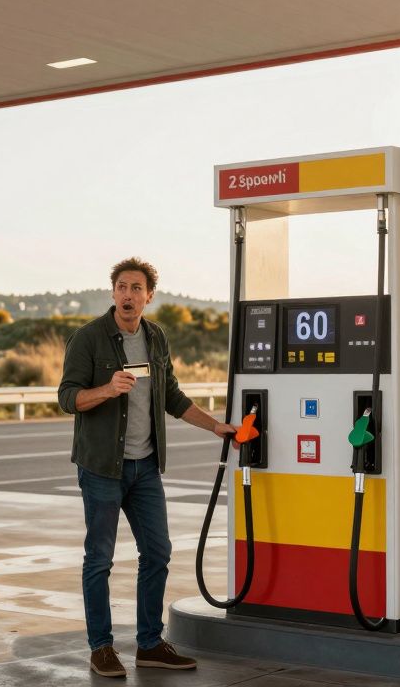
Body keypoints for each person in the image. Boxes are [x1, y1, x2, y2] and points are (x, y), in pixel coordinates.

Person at [58, 257, 236, 678]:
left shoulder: (156, 338)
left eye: (137, 288)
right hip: (102, 467)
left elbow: (171, 395)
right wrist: (106, 389)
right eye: (122, 286)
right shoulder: (89, 338)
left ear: (149, 297)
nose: (128, 294)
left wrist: (215, 426)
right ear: (113, 292)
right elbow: (68, 398)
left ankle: (149, 644)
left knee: (157, 553)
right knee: (99, 560)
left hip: (146, 468)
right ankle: (101, 647)